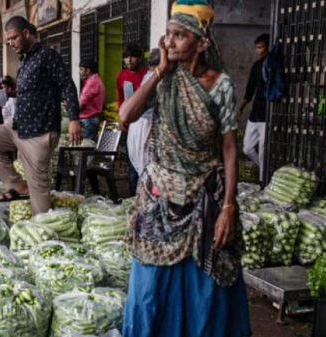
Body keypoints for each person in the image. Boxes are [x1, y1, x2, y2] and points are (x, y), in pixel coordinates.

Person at [118, 1, 251, 336]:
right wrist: (159, 71)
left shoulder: (220, 86)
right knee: (148, 287)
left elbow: (229, 149)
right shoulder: (162, 79)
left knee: (205, 289)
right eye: (169, 35)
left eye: (179, 35)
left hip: (204, 199)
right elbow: (125, 116)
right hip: (160, 196)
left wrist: (228, 207)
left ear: (201, 42)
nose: (171, 41)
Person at [0, 16, 82, 215]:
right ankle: (17, 185)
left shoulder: (47, 55)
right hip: (18, 127)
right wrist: (10, 94)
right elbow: (32, 91)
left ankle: (42, 233)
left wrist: (74, 119)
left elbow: (67, 85)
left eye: (14, 38)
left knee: (38, 191)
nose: (11, 43)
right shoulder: (24, 60)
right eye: (8, 40)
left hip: (39, 133)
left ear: (26, 33)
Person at [116, 42, 148, 196]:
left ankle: (146, 196)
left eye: (132, 57)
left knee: (147, 163)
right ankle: (133, 198)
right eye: (126, 57)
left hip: (147, 126)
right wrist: (121, 118)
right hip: (130, 127)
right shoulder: (121, 76)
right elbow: (120, 99)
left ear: (141, 58)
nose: (129, 60)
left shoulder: (148, 75)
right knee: (132, 164)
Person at [122, 48, 160, 177]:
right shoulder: (154, 77)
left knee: (143, 166)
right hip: (145, 125)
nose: (129, 60)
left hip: (140, 125)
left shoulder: (148, 76)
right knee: (147, 165)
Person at [238, 33, 270, 182]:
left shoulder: (273, 66)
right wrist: (241, 108)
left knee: (263, 150)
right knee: (247, 148)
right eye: (256, 47)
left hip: (267, 115)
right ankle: (265, 170)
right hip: (255, 113)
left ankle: (263, 180)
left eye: (260, 47)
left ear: (268, 48)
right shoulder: (257, 66)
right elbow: (249, 90)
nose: (258, 50)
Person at [78, 59, 105, 142]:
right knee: (91, 147)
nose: (79, 72)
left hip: (88, 121)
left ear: (88, 70)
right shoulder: (96, 81)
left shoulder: (91, 83)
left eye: (81, 69)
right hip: (91, 120)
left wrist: (69, 108)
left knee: (85, 148)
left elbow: (81, 106)